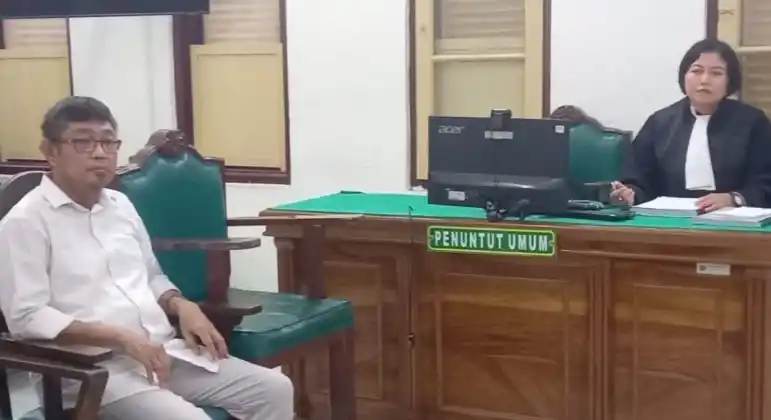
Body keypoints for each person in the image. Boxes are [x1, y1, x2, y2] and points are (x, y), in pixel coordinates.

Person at [0, 97, 294, 420]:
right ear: (50, 151)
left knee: (274, 389)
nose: (100, 153)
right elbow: (26, 317)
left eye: (108, 142)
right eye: (83, 142)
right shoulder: (25, 222)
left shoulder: (121, 206)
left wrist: (182, 305)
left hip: (161, 352)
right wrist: (120, 337)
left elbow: (152, 276)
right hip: (92, 372)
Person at [611, 39, 771, 212]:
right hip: (670, 219)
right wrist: (630, 194)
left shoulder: (753, 122)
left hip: (734, 219)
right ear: (684, 76)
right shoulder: (659, 122)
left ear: (729, 81)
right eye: (696, 71)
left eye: (716, 73)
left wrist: (734, 198)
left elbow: (765, 181)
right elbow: (639, 178)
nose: (704, 80)